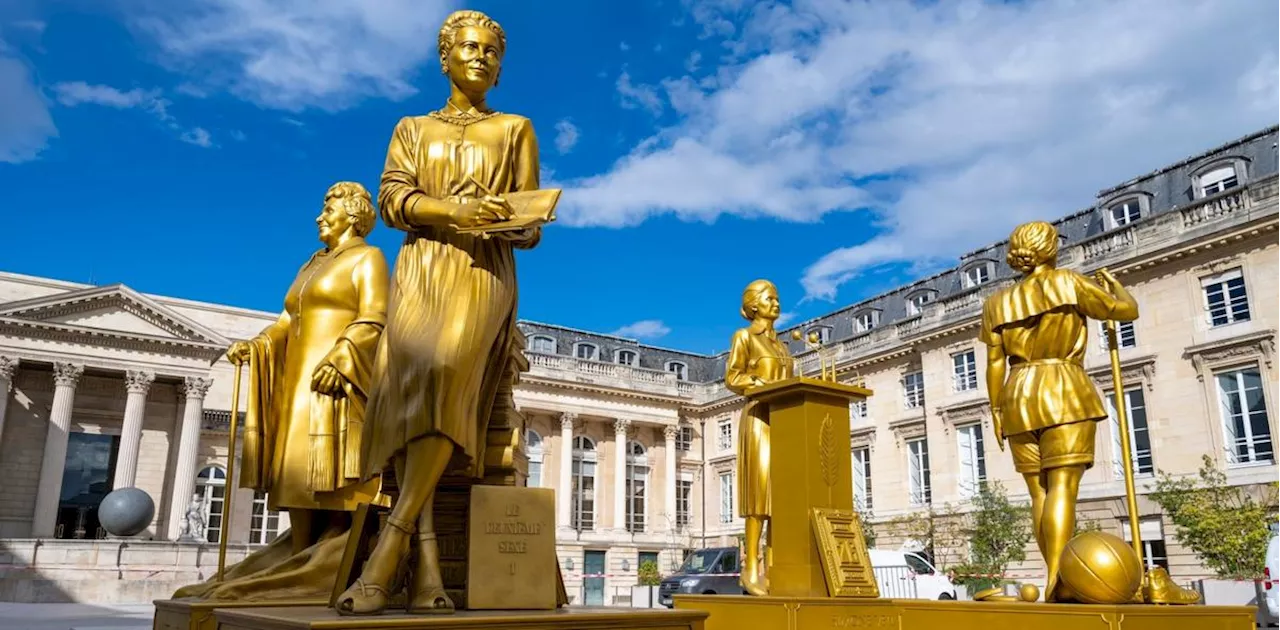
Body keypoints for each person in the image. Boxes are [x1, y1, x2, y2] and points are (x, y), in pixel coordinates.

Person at [335, 9, 550, 616]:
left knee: (442, 376)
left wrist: (498, 216)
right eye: (470, 47)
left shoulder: (516, 129)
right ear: (446, 57)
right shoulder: (411, 128)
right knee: (407, 396)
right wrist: (448, 212)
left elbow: (530, 226)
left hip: (482, 272)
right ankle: (427, 567)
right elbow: (393, 198)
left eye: (492, 51)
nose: (481, 57)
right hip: (422, 267)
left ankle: (388, 553)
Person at [173, 182, 389, 602]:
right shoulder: (311, 265)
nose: (319, 216)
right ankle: (299, 553)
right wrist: (257, 344)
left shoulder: (368, 258)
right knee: (295, 469)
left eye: (329, 208)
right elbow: (286, 322)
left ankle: (328, 559)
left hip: (334, 380)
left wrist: (343, 355)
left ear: (354, 213)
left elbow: (375, 317)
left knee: (331, 467)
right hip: (297, 381)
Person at [980, 220, 1137, 602]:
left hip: (1017, 394)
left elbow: (994, 361)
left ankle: (1053, 573)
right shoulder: (1069, 282)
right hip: (1063, 386)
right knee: (1063, 487)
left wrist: (997, 409)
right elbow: (1125, 311)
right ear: (1050, 248)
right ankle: (1056, 579)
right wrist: (1114, 286)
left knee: (1039, 494)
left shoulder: (996, 303)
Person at [723, 279, 793, 596]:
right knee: (760, 494)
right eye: (769, 298)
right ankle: (751, 564)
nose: (776, 303)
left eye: (777, 298)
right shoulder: (744, 337)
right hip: (759, 419)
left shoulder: (783, 345)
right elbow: (733, 376)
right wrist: (759, 383)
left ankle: (778, 566)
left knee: (782, 495)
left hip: (786, 421)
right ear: (753, 305)